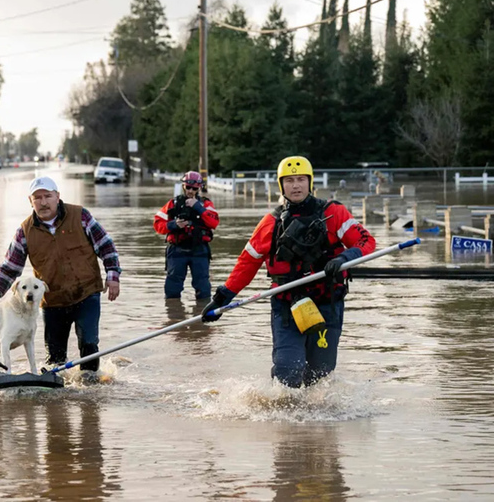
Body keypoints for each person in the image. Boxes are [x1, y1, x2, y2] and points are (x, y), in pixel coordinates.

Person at [202, 156, 376, 388]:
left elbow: (366, 242)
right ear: (281, 185)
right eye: (290, 180)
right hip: (287, 306)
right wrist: (221, 299)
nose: (296, 185)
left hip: (327, 303)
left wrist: (345, 257)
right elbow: (246, 264)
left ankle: (312, 424)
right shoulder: (269, 223)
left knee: (319, 377)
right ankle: (284, 421)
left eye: (301, 179)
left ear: (310, 182)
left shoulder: (335, 213)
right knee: (287, 372)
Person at [0, 176, 121, 372]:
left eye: (47, 196)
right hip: (52, 301)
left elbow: (106, 246)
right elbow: (9, 269)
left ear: (57, 197)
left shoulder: (80, 216)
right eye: (38, 198)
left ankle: (90, 389)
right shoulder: (24, 231)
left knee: (89, 344)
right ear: (30, 201)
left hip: (86, 293)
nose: (43, 202)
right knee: (55, 357)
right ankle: (55, 391)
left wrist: (112, 276)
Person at [153, 171, 220, 300]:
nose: (190, 191)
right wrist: (173, 225)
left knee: (203, 289)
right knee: (172, 289)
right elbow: (157, 224)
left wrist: (198, 208)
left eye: (194, 188)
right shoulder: (173, 204)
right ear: (183, 186)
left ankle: (202, 315)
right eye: (188, 187)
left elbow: (214, 222)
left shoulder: (206, 205)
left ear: (199, 188)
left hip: (199, 249)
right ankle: (173, 316)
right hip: (177, 249)